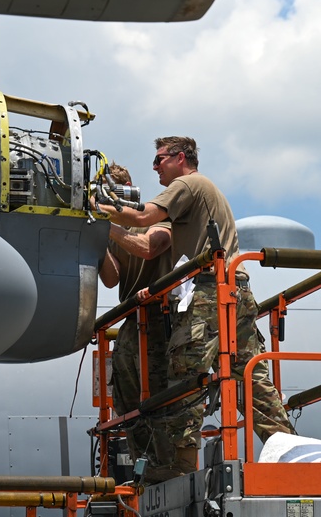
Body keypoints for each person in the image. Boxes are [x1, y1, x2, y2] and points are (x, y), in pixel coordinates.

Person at [97, 137, 294, 475]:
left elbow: (146, 222)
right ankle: (293, 452)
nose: (155, 166)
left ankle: (181, 468)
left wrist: (96, 210)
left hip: (209, 291)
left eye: (160, 159)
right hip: (233, 289)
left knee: (186, 377)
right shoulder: (196, 194)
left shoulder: (188, 184)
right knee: (249, 376)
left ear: (181, 158)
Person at [98, 163, 178, 482]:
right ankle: (146, 470)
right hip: (132, 319)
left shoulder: (159, 215)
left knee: (158, 399)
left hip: (160, 317)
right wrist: (95, 237)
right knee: (128, 402)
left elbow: (149, 248)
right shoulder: (113, 229)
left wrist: (106, 225)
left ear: (127, 188)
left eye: (111, 193)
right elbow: (111, 277)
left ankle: (169, 467)